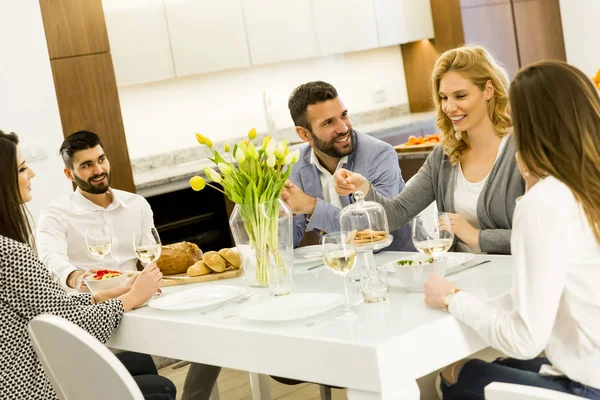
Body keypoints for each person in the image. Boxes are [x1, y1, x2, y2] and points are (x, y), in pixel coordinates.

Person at [425, 61, 600, 399]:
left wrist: (452, 297)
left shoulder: (544, 202)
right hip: (586, 364)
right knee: (497, 361)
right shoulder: (586, 185)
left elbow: (525, 339)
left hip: (587, 384)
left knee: (454, 375)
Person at [36, 131, 220, 400]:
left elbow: (151, 257)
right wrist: (77, 277)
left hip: (141, 302)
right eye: (86, 165)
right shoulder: (55, 213)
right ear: (69, 174)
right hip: (95, 310)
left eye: (101, 159)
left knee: (210, 328)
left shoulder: (137, 205)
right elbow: (50, 259)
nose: (98, 170)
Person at [0, 130, 167, 399]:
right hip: (32, 386)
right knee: (160, 388)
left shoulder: (137, 205)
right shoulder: (9, 253)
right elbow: (66, 322)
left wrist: (109, 293)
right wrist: (131, 298)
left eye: (101, 159)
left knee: (142, 365)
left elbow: (52, 308)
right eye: (21, 168)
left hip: (31, 370)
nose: (32, 173)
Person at [334, 46, 525, 255]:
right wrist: (364, 187)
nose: (449, 107)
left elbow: (542, 234)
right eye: (444, 98)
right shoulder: (443, 156)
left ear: (488, 90)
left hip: (513, 276)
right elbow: (396, 214)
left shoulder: (522, 151)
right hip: (462, 275)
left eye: (460, 96)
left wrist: (476, 236)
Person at [282, 81, 414, 251]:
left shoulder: (379, 155)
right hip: (339, 266)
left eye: (343, 115)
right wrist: (276, 212)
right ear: (304, 134)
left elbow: (375, 234)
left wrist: (312, 206)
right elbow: (287, 243)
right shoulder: (297, 164)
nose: (343, 128)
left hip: (396, 265)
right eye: (328, 122)